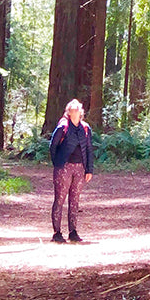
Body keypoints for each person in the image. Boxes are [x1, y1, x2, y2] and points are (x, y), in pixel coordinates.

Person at [49, 98, 94, 242]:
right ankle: (57, 233)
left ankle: (73, 232)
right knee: (60, 200)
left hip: (80, 168)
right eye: (72, 110)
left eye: (77, 110)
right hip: (64, 168)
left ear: (81, 112)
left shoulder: (85, 128)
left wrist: (89, 170)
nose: (75, 112)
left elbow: (88, 149)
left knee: (74, 201)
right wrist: (58, 164)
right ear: (68, 112)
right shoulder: (63, 127)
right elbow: (52, 146)